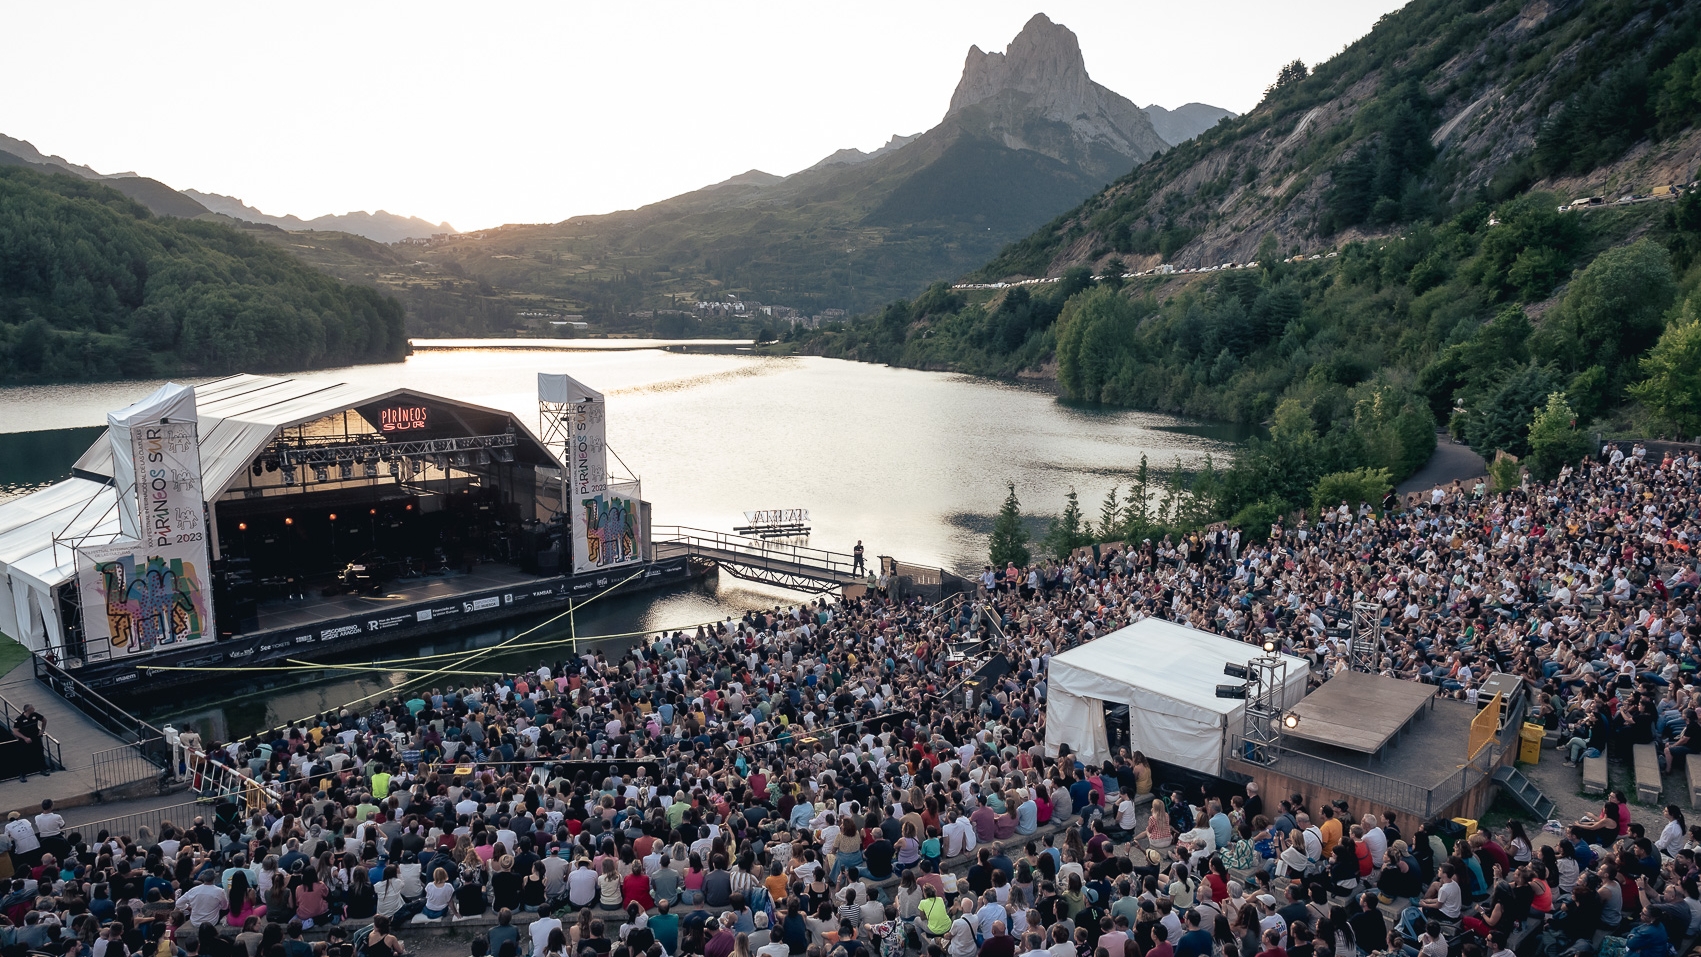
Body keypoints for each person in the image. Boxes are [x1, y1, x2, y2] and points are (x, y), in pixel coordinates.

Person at [11, 704, 48, 780]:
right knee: (23, 756)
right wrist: (25, 738)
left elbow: (44, 720)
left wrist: (42, 730)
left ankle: (43, 769)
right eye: (32, 708)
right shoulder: (19, 719)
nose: (34, 709)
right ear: (28, 710)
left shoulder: (35, 715)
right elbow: (15, 731)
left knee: (40, 753)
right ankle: (22, 774)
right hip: (25, 740)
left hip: (35, 737)